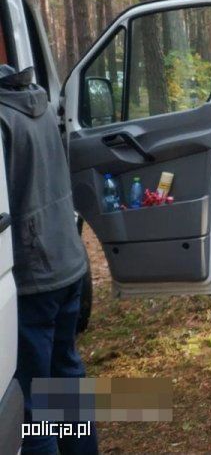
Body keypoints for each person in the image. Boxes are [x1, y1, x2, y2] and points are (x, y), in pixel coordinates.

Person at [0, 65, 99, 454]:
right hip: (68, 263)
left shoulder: (3, 119)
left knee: (34, 403)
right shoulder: (36, 101)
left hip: (33, 276)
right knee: (65, 378)